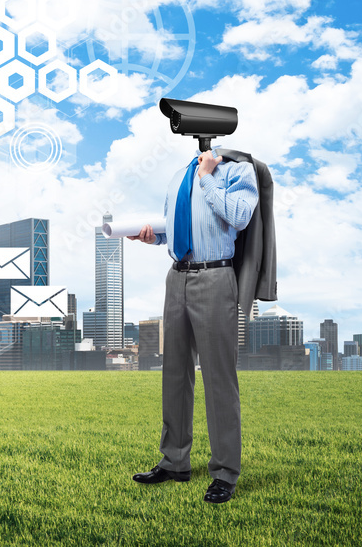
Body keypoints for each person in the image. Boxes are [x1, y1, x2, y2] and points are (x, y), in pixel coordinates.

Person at [127, 148, 258, 504]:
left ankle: (225, 473)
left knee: (218, 377)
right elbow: (177, 228)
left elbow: (241, 216)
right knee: (174, 373)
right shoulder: (177, 176)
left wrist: (208, 176)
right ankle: (174, 462)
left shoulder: (237, 171)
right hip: (177, 278)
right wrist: (154, 237)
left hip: (215, 275)